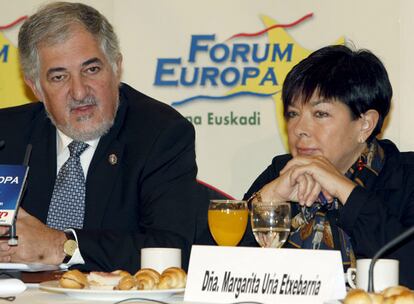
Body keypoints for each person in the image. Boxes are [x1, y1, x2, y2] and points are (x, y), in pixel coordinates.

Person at [0, 2, 204, 273]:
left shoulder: (160, 133)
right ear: (35, 87)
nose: (79, 91)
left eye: (91, 69)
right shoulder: (6, 134)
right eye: (59, 77)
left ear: (116, 67)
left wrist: (61, 245)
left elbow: (171, 247)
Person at [243, 45, 414, 288]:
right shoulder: (281, 172)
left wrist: (346, 191)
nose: (299, 129)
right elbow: (209, 270)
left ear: (365, 124)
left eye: (320, 114)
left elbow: (407, 267)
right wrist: (269, 198)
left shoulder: (406, 178)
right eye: (293, 113)